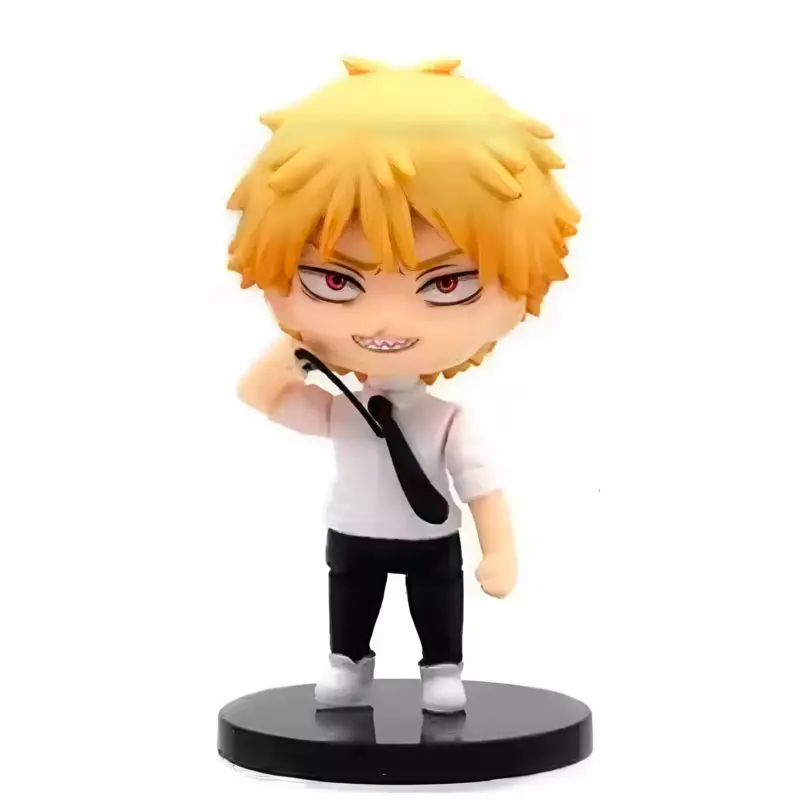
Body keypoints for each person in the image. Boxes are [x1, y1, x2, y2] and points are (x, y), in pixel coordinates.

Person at [229, 56, 579, 713]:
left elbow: (480, 487)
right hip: (352, 532)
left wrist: (499, 552)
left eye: (446, 283)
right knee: (350, 604)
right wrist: (292, 348)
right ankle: (348, 663)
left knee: (435, 604)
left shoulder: (447, 421)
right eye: (336, 280)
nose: (386, 321)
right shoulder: (344, 410)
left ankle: (441, 669)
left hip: (429, 540)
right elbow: (259, 397)